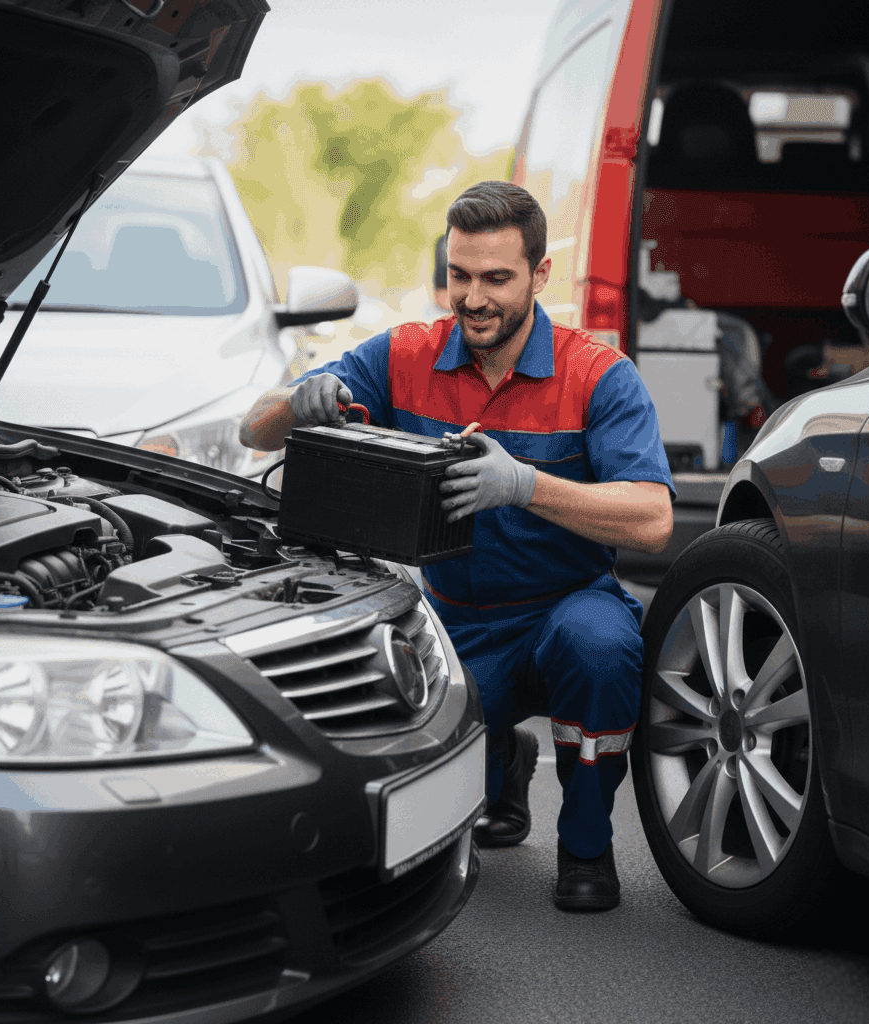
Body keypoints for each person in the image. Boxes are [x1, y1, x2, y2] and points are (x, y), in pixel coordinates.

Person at [240, 181, 675, 911]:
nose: (473, 298)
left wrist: (525, 486)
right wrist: (296, 408)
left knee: (600, 649)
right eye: (459, 275)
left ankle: (587, 843)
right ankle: (499, 755)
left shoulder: (600, 376)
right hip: (456, 620)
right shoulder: (405, 356)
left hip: (566, 607)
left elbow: (654, 519)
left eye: (496, 278)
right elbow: (253, 430)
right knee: (396, 750)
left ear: (539, 276)